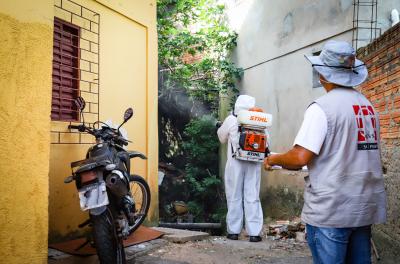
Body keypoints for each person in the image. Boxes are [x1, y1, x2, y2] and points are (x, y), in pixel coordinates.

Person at [264, 40, 387, 263]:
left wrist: (274, 159)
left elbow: (300, 156)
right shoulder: (368, 107)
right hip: (363, 209)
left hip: (332, 211)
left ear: (323, 75)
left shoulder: (322, 108)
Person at [217, 95, 265, 242]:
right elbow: (266, 142)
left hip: (235, 162)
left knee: (234, 195)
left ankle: (233, 231)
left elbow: (221, 138)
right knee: (252, 196)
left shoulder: (231, 119)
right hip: (254, 162)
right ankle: (254, 233)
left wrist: (220, 127)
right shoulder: (258, 120)